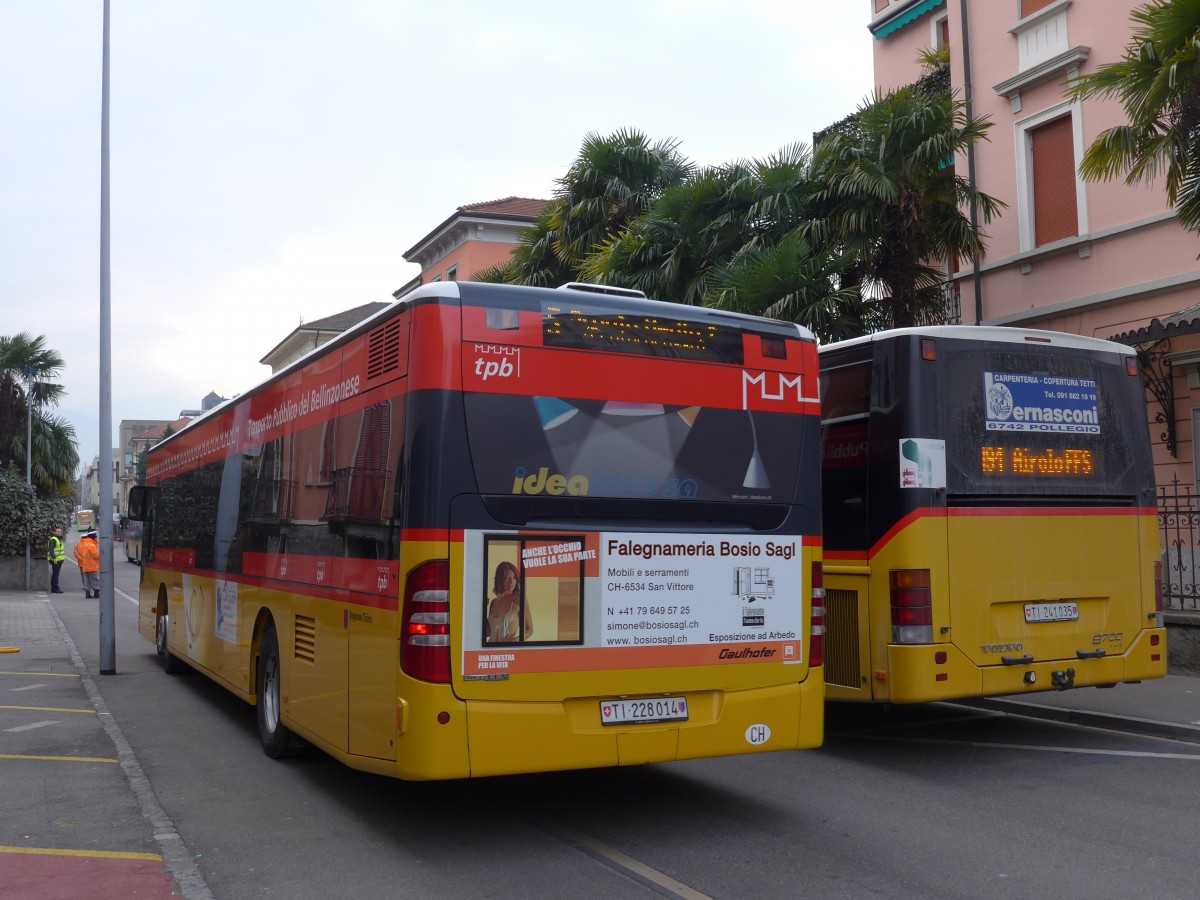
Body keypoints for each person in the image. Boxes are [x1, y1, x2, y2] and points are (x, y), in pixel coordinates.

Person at [485, 560, 532, 642]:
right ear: (500, 579)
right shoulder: (494, 602)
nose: (511, 582)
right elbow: (488, 633)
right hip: (491, 650)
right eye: (506, 578)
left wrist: (515, 640)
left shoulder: (519, 598)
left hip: (507, 651)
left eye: (514, 578)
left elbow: (529, 630)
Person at [74, 530, 100, 598]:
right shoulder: (91, 545)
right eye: (95, 537)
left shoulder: (85, 545)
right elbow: (96, 556)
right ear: (93, 538)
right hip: (92, 566)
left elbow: (78, 554)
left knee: (87, 580)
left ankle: (87, 594)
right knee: (94, 580)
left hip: (85, 566)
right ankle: (96, 593)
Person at [47, 526, 66, 594]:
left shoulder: (58, 539)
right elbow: (51, 549)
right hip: (55, 560)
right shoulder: (53, 539)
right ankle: (55, 588)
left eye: (60, 531)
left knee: (56, 574)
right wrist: (54, 558)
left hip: (59, 560)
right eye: (58, 531)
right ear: (54, 532)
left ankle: (54, 588)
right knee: (55, 574)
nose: (59, 533)